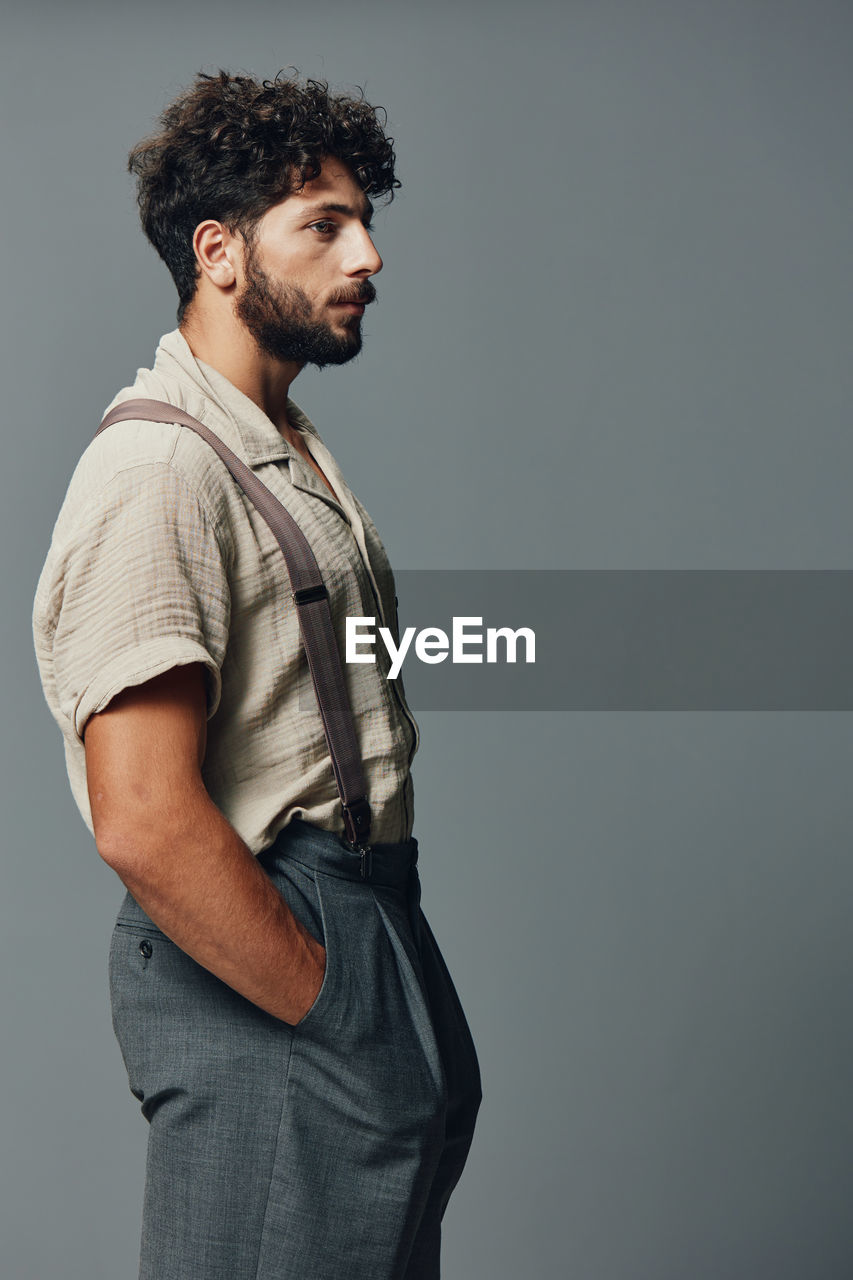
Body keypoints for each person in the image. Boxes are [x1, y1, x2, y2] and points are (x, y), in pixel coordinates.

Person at [32, 69, 481, 1280]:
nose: (369, 255)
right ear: (219, 252)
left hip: (366, 906)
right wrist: (334, 1005)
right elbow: (141, 811)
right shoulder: (159, 472)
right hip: (277, 927)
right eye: (325, 225)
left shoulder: (277, 444)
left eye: (364, 220)